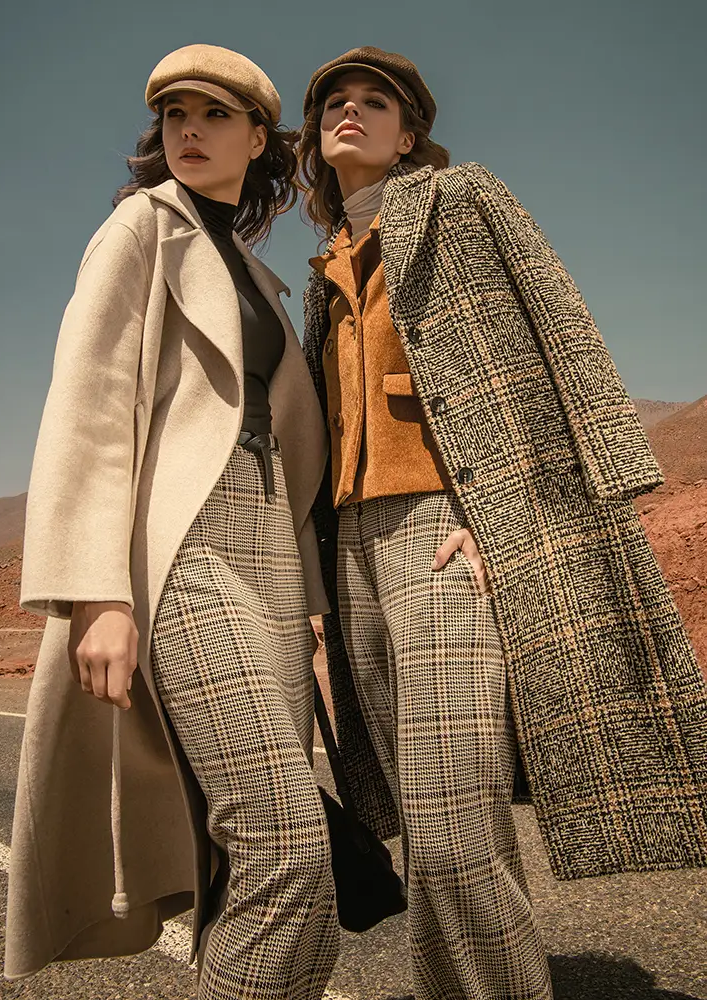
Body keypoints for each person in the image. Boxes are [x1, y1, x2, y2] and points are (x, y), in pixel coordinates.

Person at [297, 45, 707, 1000]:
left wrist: (517, 514)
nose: (351, 111)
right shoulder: (322, 272)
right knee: (424, 813)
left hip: (450, 521)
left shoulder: (462, 199)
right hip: (352, 548)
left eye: (375, 102)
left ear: (409, 136)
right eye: (334, 103)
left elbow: (561, 321)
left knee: (452, 820)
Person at [4, 44, 339, 1000]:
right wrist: (97, 592)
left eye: (215, 115)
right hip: (181, 546)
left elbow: (290, 447)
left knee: (273, 862)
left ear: (259, 141)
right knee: (283, 840)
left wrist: (310, 598)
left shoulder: (260, 277)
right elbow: (89, 406)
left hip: (272, 554)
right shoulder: (140, 230)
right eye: (175, 116)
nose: (189, 130)